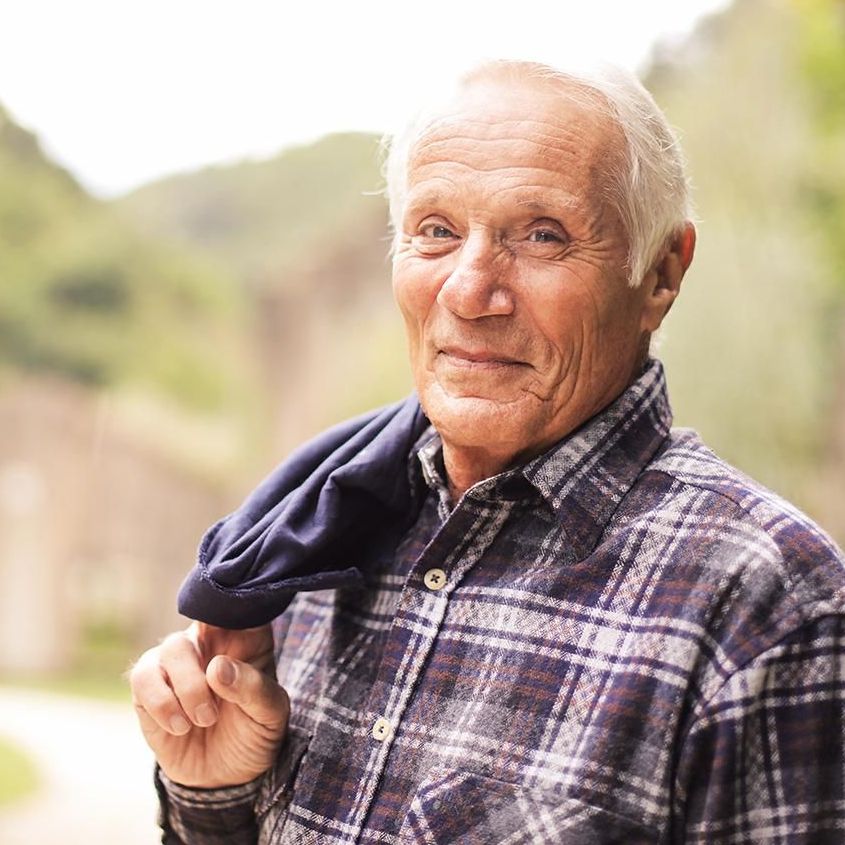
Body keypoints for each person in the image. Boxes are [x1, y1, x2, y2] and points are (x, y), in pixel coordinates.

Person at [130, 59, 845, 844]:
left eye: (542, 235)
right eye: (435, 231)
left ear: (660, 273)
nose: (470, 292)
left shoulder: (771, 601)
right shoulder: (310, 540)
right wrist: (215, 798)